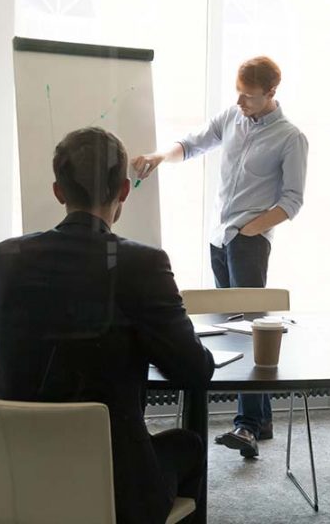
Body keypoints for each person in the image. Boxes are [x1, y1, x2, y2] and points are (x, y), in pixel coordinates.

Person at [0, 127, 214, 524]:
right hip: (113, 486)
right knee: (189, 446)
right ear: (124, 190)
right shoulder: (141, 263)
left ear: (59, 191)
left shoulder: (7, 256)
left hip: (21, 476)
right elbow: (195, 370)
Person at [131, 56, 308, 458]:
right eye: (238, 93)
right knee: (232, 328)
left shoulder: (290, 137)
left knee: (250, 330)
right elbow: (193, 144)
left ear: (271, 94)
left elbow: (293, 201)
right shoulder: (232, 117)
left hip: (248, 240)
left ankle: (246, 426)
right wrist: (160, 157)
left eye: (249, 96)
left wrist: (251, 228)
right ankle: (260, 421)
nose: (241, 101)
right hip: (218, 237)